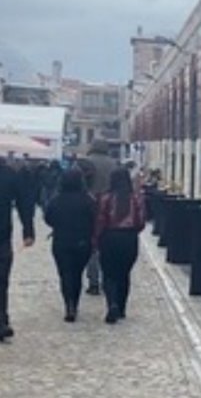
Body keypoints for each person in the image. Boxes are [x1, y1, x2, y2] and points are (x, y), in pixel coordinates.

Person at [43, 169, 97, 322]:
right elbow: (95, 218)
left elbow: (48, 218)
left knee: (65, 273)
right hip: (82, 241)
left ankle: (69, 304)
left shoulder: (56, 199)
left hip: (61, 241)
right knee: (77, 274)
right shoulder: (88, 200)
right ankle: (75, 302)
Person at [95, 167, 145, 324]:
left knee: (109, 274)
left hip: (110, 238)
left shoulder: (106, 198)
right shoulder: (136, 198)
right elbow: (141, 222)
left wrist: (96, 238)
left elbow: (100, 220)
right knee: (124, 273)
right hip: (129, 239)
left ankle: (112, 303)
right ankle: (122, 308)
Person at [0, 156, 35, 340]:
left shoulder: (8, 175)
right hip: (2, 233)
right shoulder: (9, 175)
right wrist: (28, 230)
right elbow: (24, 202)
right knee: (1, 280)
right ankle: (1, 320)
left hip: (3, 235)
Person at [80, 139, 114, 295]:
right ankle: (107, 279)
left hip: (89, 207)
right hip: (110, 208)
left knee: (92, 245)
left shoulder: (85, 162)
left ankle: (93, 281)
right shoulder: (113, 164)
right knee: (106, 245)